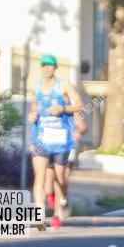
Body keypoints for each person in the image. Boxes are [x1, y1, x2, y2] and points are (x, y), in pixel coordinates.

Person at [28, 55, 84, 229]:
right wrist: (32, 116)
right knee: (40, 176)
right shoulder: (35, 86)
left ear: (55, 68)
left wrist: (63, 109)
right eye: (44, 65)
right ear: (41, 67)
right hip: (41, 139)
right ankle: (39, 213)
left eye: (50, 66)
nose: (47, 68)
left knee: (60, 178)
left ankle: (60, 209)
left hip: (61, 140)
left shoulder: (64, 85)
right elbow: (33, 109)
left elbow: (80, 105)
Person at [45, 110, 88, 217]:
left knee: (62, 177)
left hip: (68, 149)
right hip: (51, 147)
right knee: (49, 185)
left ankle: (62, 202)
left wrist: (78, 132)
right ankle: (53, 195)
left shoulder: (71, 111)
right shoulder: (47, 110)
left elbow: (83, 127)